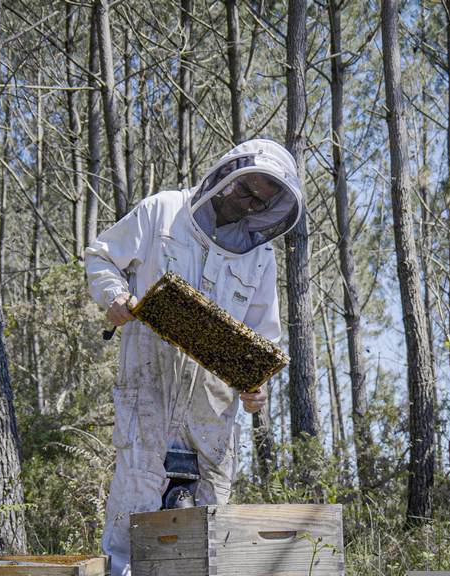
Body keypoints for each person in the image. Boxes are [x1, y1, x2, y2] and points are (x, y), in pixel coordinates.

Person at [85, 138, 304, 575]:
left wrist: (256, 387)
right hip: (150, 378)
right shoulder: (162, 211)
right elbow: (101, 257)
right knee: (138, 489)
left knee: (210, 505)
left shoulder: (260, 256)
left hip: (212, 398)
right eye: (246, 191)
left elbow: (263, 337)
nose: (249, 204)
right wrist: (115, 297)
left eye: (261, 200)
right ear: (226, 176)